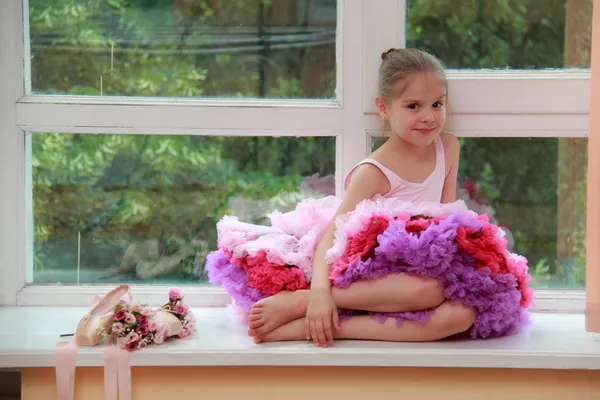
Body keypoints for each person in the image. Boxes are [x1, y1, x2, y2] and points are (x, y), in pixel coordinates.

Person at [247, 48, 476, 346]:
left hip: (425, 267)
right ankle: (306, 301)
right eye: (413, 106)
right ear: (383, 108)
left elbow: (447, 217)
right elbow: (331, 235)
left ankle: (323, 326)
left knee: (462, 314)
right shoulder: (374, 172)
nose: (428, 117)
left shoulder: (448, 146)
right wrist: (319, 291)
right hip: (374, 272)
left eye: (437, 104)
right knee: (431, 291)